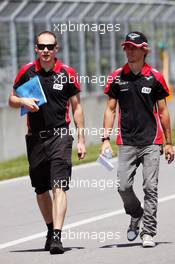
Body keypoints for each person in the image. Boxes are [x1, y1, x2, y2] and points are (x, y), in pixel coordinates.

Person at [9, 31, 86, 254]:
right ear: (36, 48)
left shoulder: (66, 73)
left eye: (50, 47)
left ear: (56, 49)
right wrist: (22, 100)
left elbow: (77, 106)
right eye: (42, 47)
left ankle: (57, 238)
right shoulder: (27, 71)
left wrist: (81, 139)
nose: (46, 51)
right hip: (35, 139)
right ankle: (51, 229)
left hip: (60, 135)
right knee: (41, 190)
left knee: (59, 186)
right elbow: (11, 99)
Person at [101, 31, 174, 247]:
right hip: (126, 141)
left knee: (151, 187)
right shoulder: (116, 76)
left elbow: (163, 111)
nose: (129, 51)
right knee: (123, 186)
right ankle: (136, 213)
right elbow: (110, 109)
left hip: (152, 141)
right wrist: (105, 139)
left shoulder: (155, 77)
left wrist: (169, 142)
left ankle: (148, 232)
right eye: (126, 47)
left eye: (133, 47)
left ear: (144, 50)